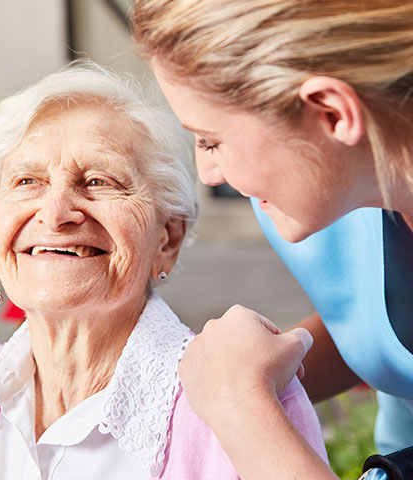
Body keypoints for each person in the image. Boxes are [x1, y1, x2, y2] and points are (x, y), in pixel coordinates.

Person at [0, 62, 326, 480]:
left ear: (167, 239)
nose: (55, 213)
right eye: (26, 182)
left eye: (99, 181)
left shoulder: (248, 399)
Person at [132, 0, 413, 478]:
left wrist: (240, 401)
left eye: (211, 139)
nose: (207, 172)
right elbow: (379, 328)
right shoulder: (330, 198)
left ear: (330, 113)